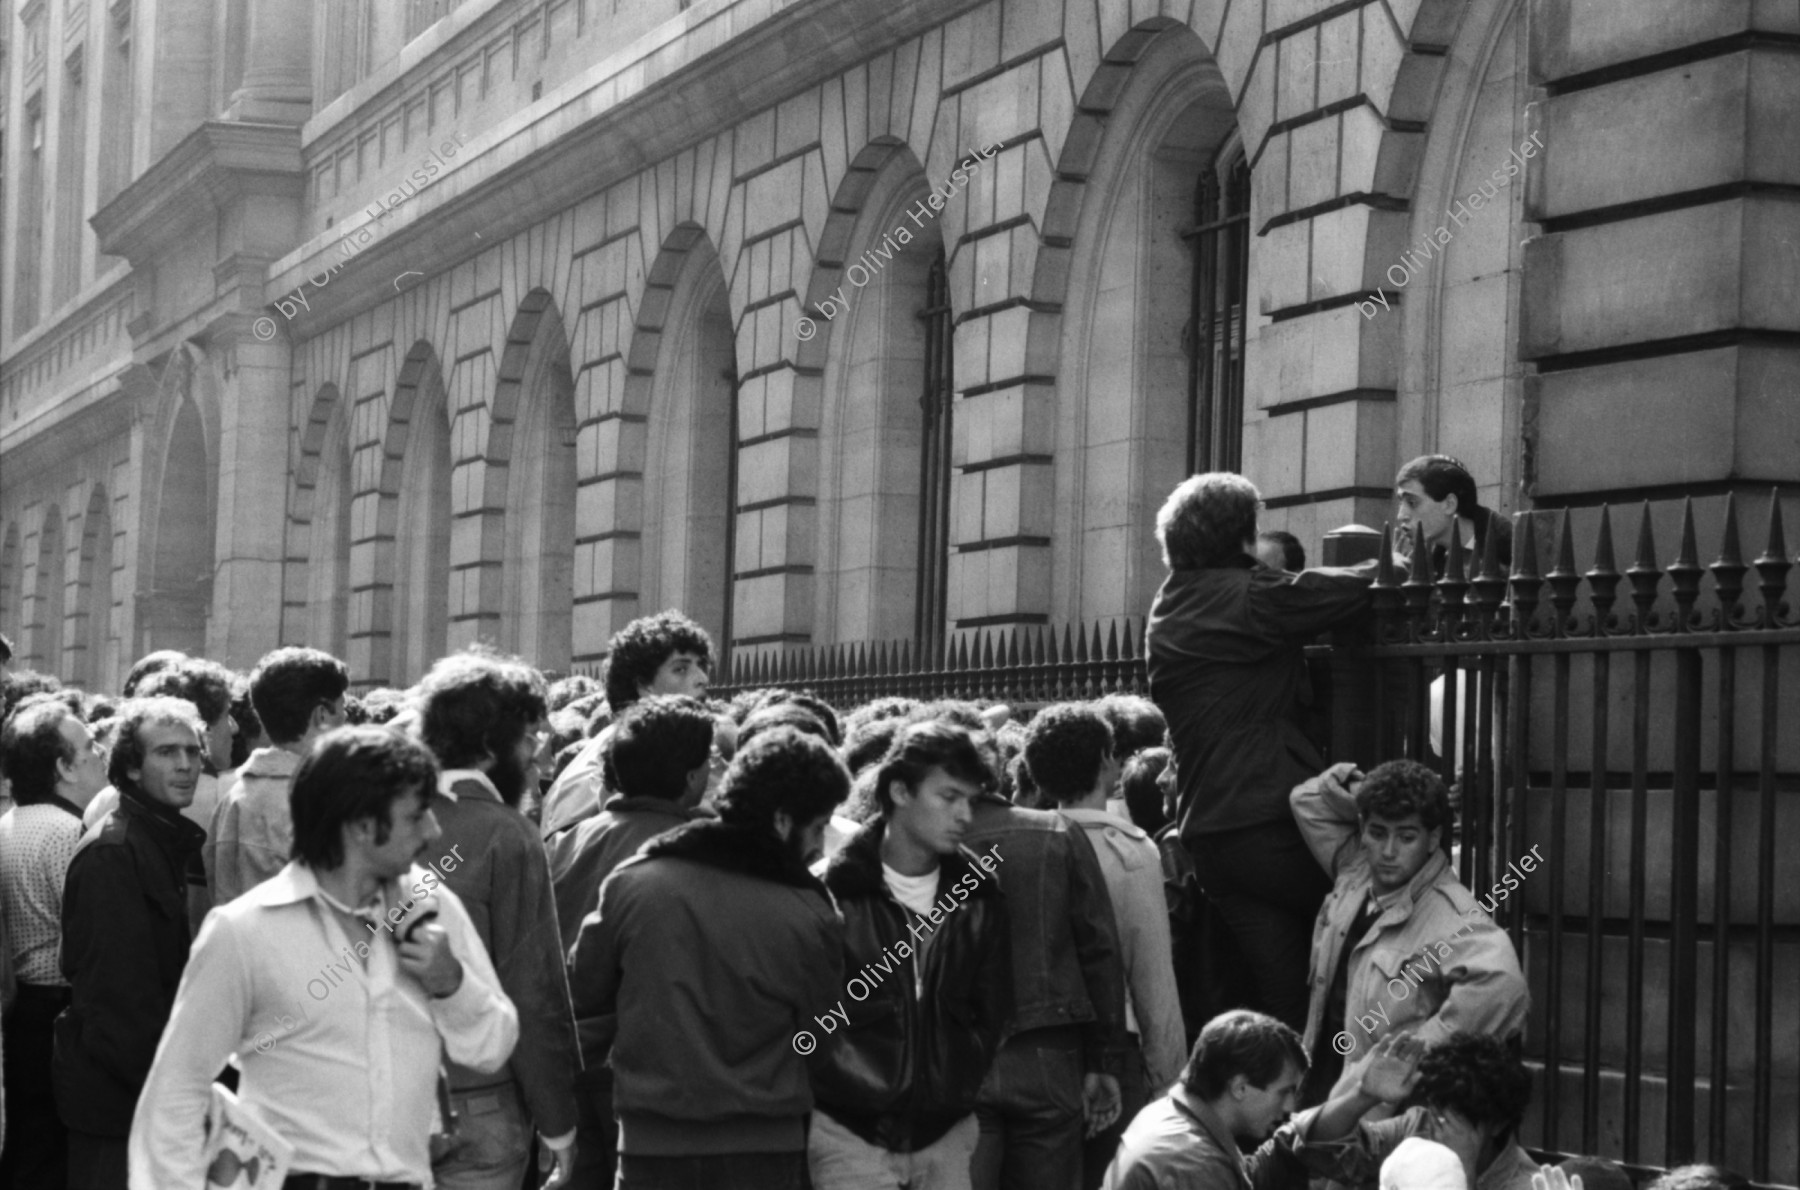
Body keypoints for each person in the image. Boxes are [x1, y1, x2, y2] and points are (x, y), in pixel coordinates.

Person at [127, 725, 520, 1187]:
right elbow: (175, 1092)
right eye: (417, 817)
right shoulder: (244, 931)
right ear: (360, 826)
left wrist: (451, 982)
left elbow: (493, 1047)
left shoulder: (433, 906)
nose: (434, 832)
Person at [567, 725, 847, 1190]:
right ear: (781, 820)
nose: (820, 845)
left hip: (649, 1147)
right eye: (817, 827)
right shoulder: (810, 910)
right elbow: (823, 1040)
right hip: (765, 1148)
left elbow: (582, 997)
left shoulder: (634, 884)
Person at [1145, 472, 1374, 1031]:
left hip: (1213, 841)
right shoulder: (1241, 596)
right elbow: (1346, 591)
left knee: (1288, 1007)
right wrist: (1401, 563)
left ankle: (1294, 1103)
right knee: (1378, 920)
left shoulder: (1171, 604)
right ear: (1242, 539)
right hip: (1270, 826)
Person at [808, 720, 1012, 1190]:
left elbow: (995, 1006)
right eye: (948, 797)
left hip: (946, 1129)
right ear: (900, 791)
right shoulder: (832, 890)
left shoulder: (980, 893)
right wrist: (836, 1078)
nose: (964, 814)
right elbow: (806, 1011)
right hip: (847, 1130)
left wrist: (962, 1075)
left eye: (971, 800)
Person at [415, 649, 580, 1189]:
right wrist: (559, 1124)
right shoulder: (507, 834)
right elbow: (532, 988)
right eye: (530, 737)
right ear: (489, 748)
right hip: (479, 1103)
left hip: (378, 1097)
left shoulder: (376, 818)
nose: (540, 755)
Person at [546, 694, 714, 1189]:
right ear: (690, 776)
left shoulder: (562, 844)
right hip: (652, 1073)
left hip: (567, 1062)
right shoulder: (702, 848)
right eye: (709, 760)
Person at [1289, 759, 1527, 1106]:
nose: (1388, 852)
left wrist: (1411, 1055)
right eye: (1377, 832)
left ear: (1433, 839)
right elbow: (1306, 799)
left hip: (1376, 1118)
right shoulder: (1355, 871)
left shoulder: (1454, 917)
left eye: (1406, 837)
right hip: (1317, 1096)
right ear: (1362, 828)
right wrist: (1375, 790)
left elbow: (1504, 988)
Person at [1024, 704, 1185, 1189]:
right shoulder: (1131, 850)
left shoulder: (1020, 844)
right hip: (1118, 1049)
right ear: (1105, 761)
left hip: (1034, 1048)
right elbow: (1151, 976)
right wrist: (1170, 1084)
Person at [963, 725, 1131, 1190]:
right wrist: (1104, 1061)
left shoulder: (921, 846)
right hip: (1049, 1051)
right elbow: (1099, 952)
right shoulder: (1056, 832)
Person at [53, 696, 210, 1188]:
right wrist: (176, 1096)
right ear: (133, 768)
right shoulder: (115, 853)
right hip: (119, 1106)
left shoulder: (158, 838)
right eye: (166, 752)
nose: (185, 765)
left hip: (142, 1098)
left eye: (192, 751)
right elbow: (118, 1008)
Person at [1100, 1010, 1421, 1190]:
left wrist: (1362, 1096)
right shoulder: (1195, 1165)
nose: (1289, 1107)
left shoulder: (1170, 1116)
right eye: (1284, 1091)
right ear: (1240, 1088)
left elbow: (1270, 1161)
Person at [0, 696, 109, 1188]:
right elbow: (88, 937)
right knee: (52, 1153)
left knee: (27, 1142)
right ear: (63, 767)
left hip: (23, 1011)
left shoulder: (9, 824)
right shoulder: (69, 832)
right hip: (59, 1010)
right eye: (89, 746)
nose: (100, 752)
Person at [540, 611, 713, 838]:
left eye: (702, 665)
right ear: (643, 684)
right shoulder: (616, 753)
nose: (702, 678)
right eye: (681, 669)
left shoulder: (637, 742)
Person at [1287, 1033, 1537, 1190]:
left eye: (1459, 1115)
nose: (1441, 1125)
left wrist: (1461, 1175)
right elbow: (1315, 1148)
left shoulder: (1531, 1184)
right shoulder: (1417, 1127)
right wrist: (1363, 1095)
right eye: (1438, 1108)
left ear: (1498, 1124)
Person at [205, 646, 349, 904]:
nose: (346, 719)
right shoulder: (319, 803)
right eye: (342, 708)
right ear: (322, 715)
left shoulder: (234, 796)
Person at [1393, 456, 1512, 574]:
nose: (1401, 515)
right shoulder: (1427, 554)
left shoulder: (1512, 550)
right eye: (1400, 503)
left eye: (1412, 502)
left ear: (1450, 504)